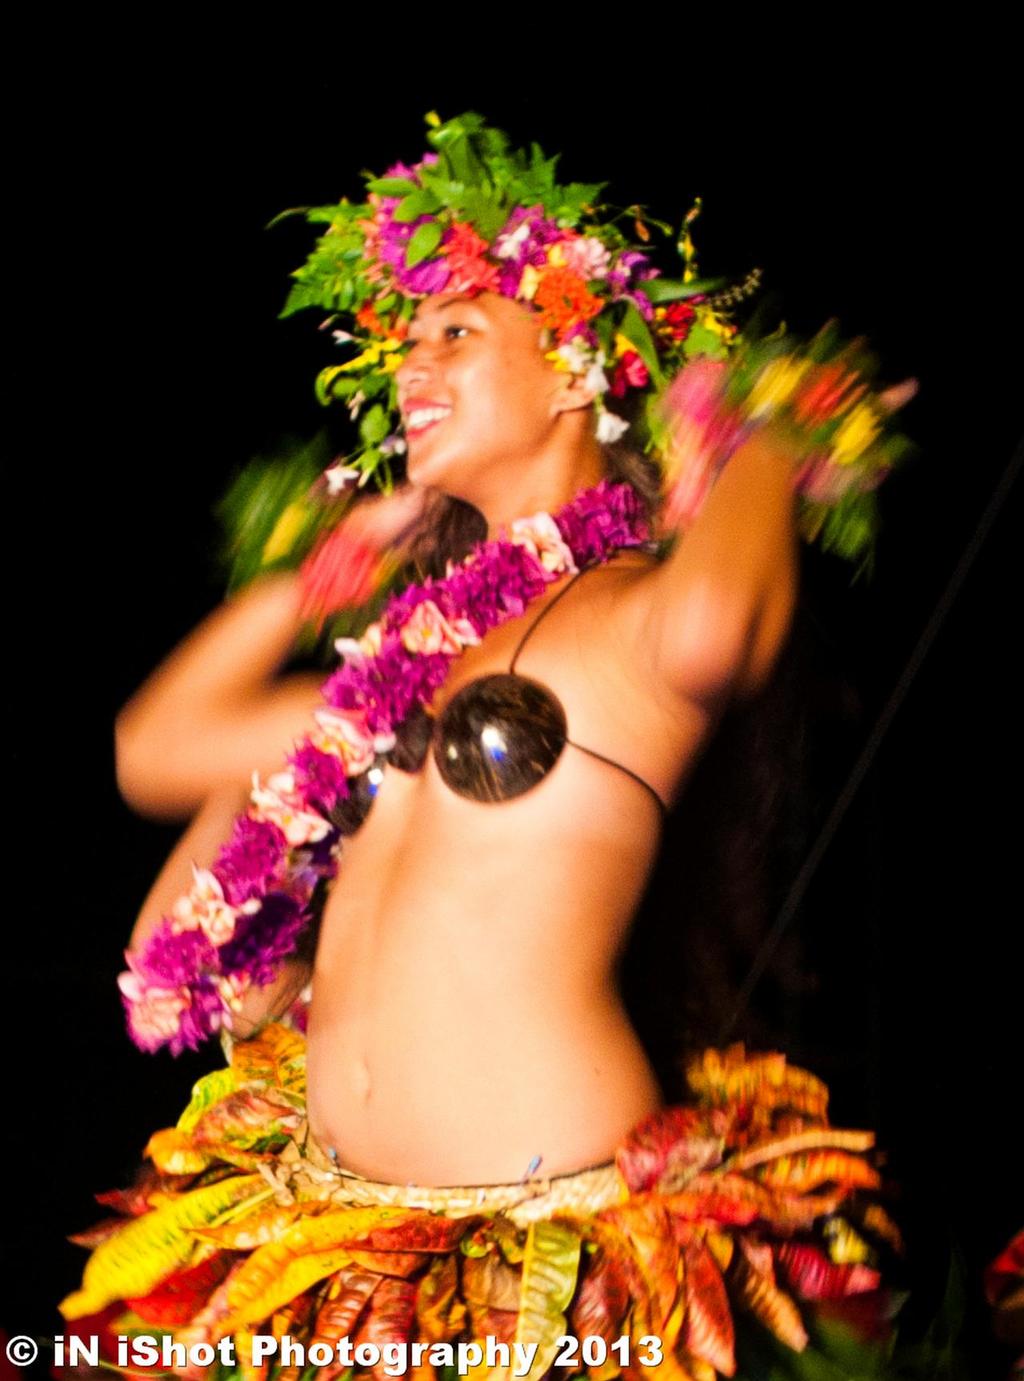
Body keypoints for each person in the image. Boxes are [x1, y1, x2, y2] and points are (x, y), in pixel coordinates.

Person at [59, 113, 918, 1379]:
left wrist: (761, 433)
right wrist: (318, 575)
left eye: (453, 332)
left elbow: (728, 622)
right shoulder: (397, 664)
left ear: (578, 369)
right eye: (405, 344)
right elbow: (157, 747)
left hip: (545, 1255)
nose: (410, 366)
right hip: (320, 1224)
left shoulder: (629, 613)